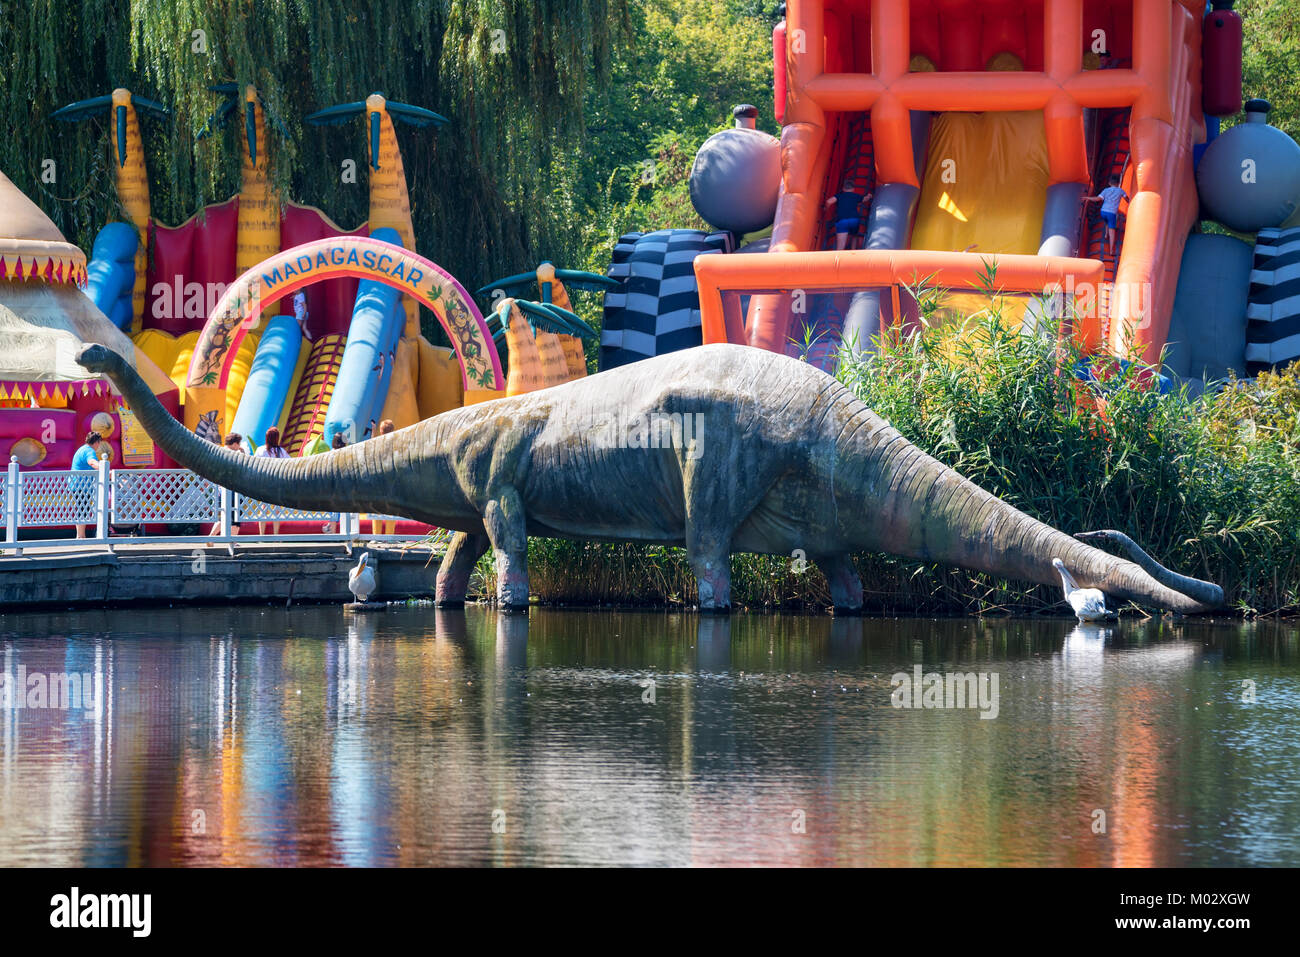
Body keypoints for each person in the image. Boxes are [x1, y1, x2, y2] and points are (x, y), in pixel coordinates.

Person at [253, 426, 291, 535]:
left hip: (264, 483)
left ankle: (261, 534)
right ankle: (275, 534)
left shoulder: (260, 450)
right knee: (277, 509)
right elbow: (289, 463)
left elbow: (254, 464)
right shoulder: (280, 451)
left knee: (263, 508)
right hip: (277, 483)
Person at [71, 431, 105, 539]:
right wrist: (104, 468)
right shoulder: (89, 451)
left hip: (76, 484)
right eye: (99, 443)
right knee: (83, 510)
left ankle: (80, 535)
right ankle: (81, 536)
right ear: (97, 442)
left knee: (81, 509)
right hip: (82, 486)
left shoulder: (82, 449)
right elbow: (92, 462)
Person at [1086, 175, 1129, 257]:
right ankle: (1111, 250)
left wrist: (1088, 198)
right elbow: (1127, 199)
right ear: (1119, 183)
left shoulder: (1106, 190)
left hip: (1103, 211)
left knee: (1106, 221)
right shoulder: (1121, 191)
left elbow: (1098, 199)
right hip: (1111, 213)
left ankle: (1106, 234)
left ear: (1109, 183)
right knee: (1112, 231)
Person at [824, 177, 870, 251]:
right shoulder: (855, 196)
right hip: (854, 220)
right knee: (854, 235)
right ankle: (853, 251)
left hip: (842, 220)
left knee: (840, 248)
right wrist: (869, 196)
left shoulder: (839, 196)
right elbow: (865, 199)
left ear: (843, 188)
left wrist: (826, 209)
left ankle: (839, 259)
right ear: (853, 189)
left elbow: (829, 201)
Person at [374, 420, 398, 536]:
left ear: (381, 431)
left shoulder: (377, 443)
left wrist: (373, 430)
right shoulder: (395, 443)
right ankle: (389, 535)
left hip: (378, 479)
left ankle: (376, 535)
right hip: (391, 479)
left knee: (377, 508)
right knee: (391, 508)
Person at [221, 433, 246, 535]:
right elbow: (243, 465)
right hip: (233, 490)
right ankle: (232, 539)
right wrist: (243, 454)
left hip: (223, 489)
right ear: (235, 443)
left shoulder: (221, 451)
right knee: (236, 516)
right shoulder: (231, 453)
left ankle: (211, 536)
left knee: (225, 515)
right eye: (238, 443)